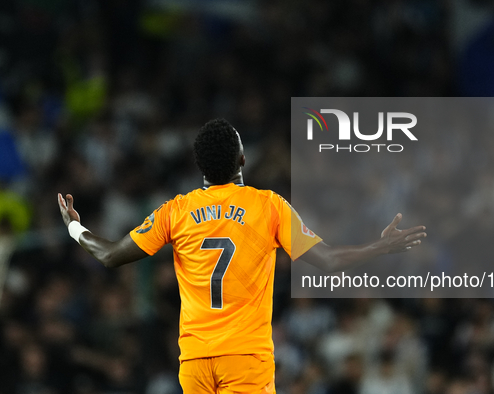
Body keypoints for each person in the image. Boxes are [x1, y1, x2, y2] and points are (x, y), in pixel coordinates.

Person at [57, 118, 427, 394]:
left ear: (200, 167)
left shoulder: (176, 211)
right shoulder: (268, 206)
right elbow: (328, 260)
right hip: (246, 359)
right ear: (243, 159)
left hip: (195, 362)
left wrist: (75, 227)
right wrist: (381, 246)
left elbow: (108, 255)